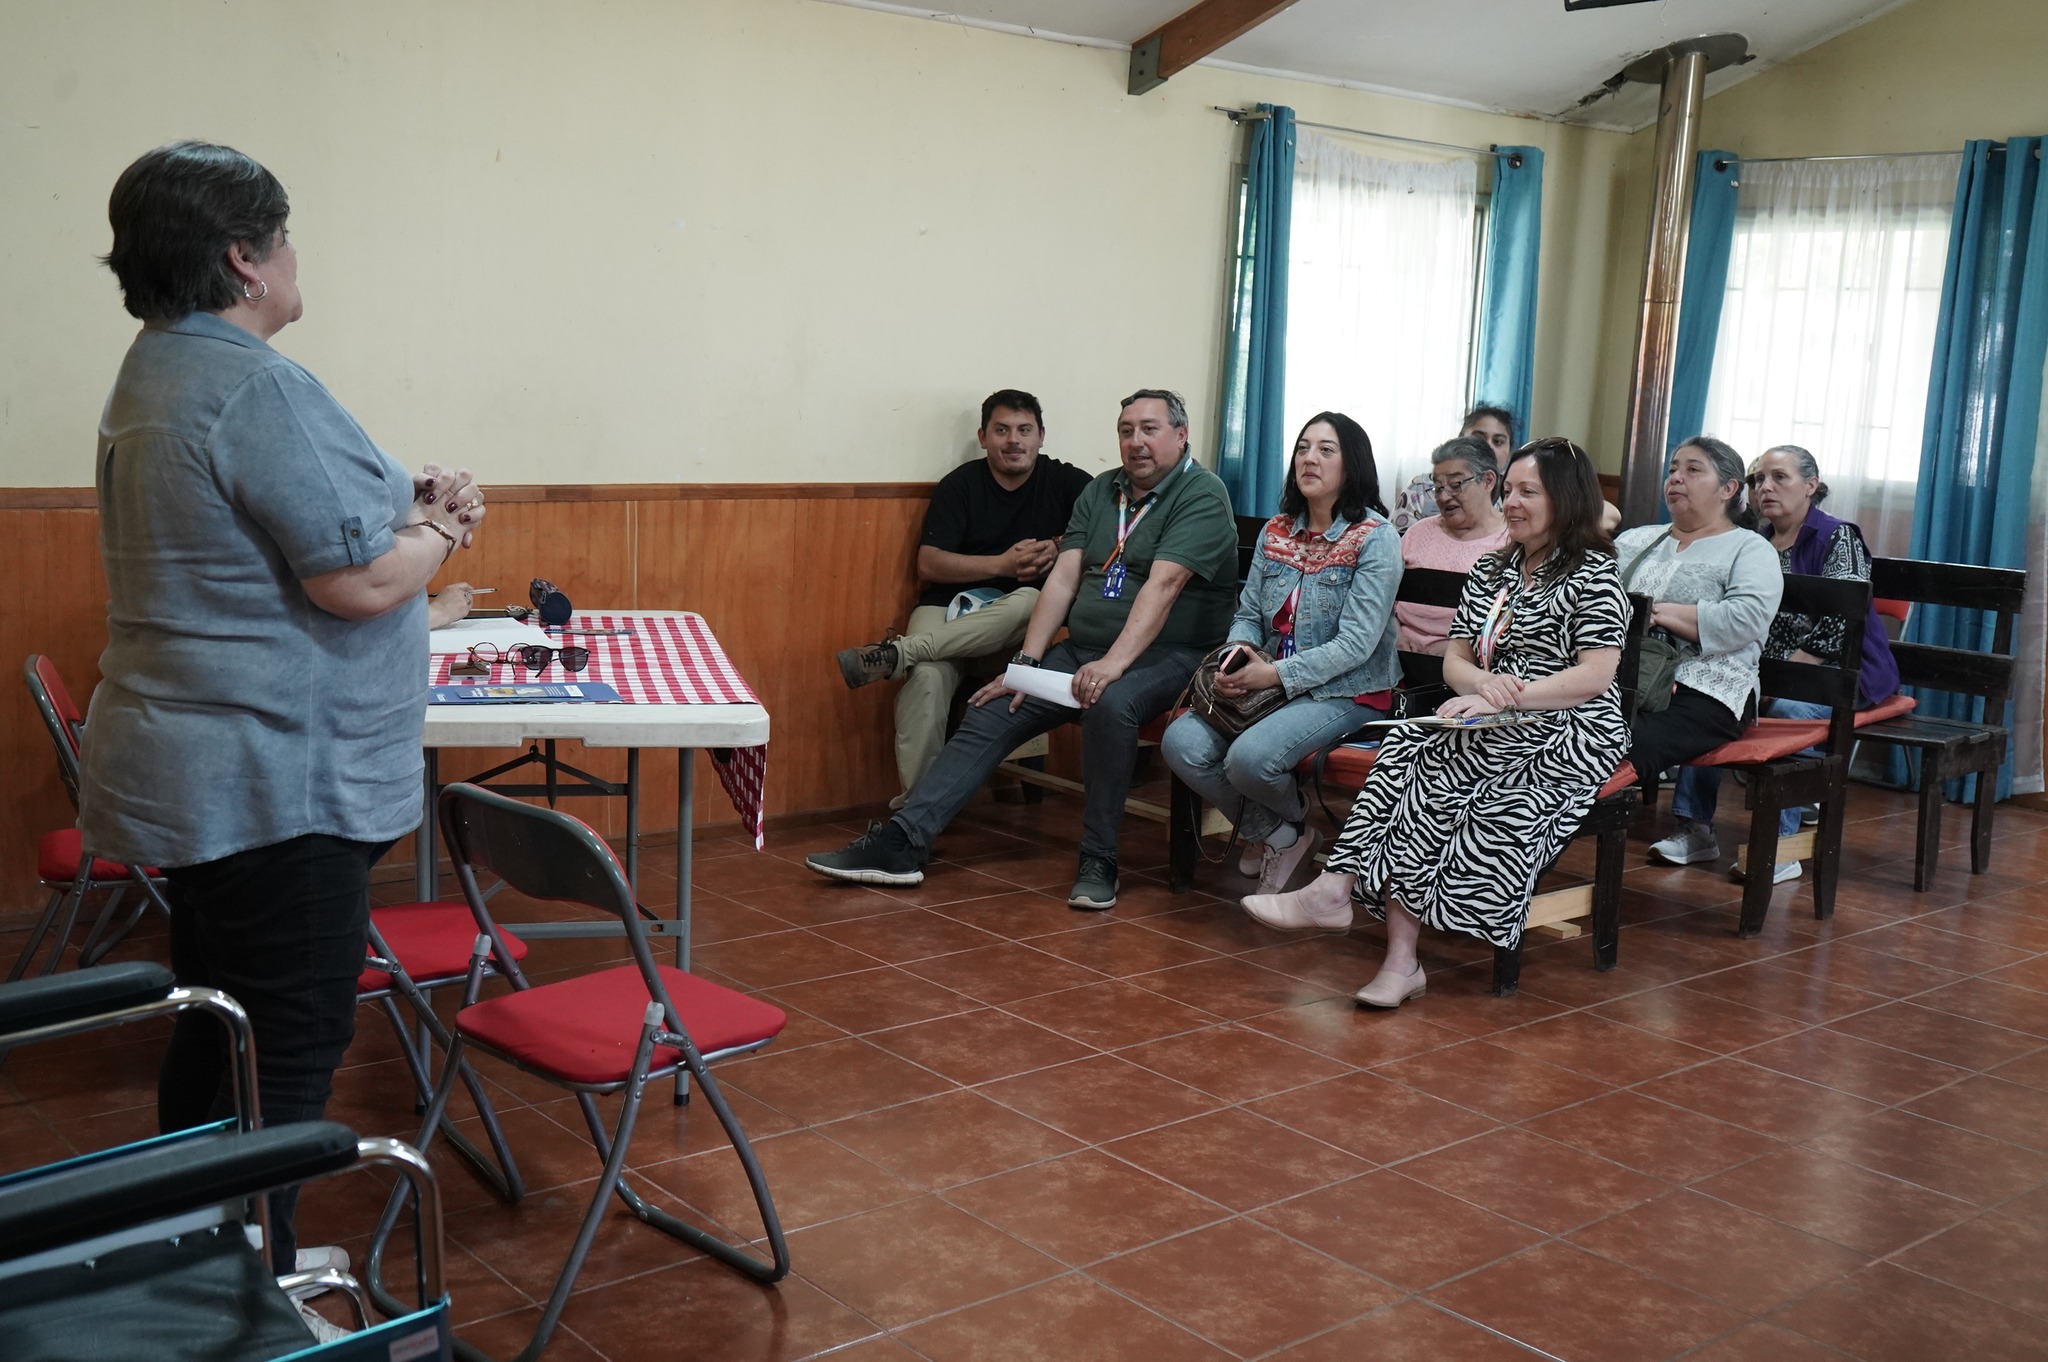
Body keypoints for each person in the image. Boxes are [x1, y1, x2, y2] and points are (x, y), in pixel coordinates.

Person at [76, 142, 487, 1288]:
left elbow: (285, 525)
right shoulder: (253, 383)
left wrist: (402, 506)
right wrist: (443, 529)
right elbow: (355, 581)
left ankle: (201, 1254)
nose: (297, 256)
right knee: (290, 1040)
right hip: (275, 784)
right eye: (284, 237)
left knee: (219, 1024)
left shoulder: (158, 368)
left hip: (203, 768)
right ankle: (247, 1295)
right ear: (243, 259)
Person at [808, 389, 1239, 909]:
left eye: (1150, 429)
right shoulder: (1102, 490)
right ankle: (903, 842)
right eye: (1126, 431)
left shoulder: (1202, 493)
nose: (1136, 442)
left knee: (1110, 705)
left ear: (1181, 435)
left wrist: (1112, 665)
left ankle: (1099, 859)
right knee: (993, 706)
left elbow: (1163, 586)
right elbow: (1063, 578)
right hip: (1085, 648)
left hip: (1173, 654)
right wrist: (1026, 665)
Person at [1242, 438, 1631, 1008]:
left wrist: (1509, 697)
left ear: (1566, 500)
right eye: (1510, 490)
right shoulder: (1494, 569)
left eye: (1529, 492)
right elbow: (1456, 661)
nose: (1512, 502)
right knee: (1408, 746)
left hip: (1570, 723)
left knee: (1451, 791)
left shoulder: (1593, 573)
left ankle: (1389, 948)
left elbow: (1595, 675)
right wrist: (1482, 690)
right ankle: (1343, 899)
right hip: (1495, 714)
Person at [1160, 412, 1401, 894]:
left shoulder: (1375, 538)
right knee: (1180, 743)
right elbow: (1249, 613)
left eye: (1326, 450)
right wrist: (1237, 657)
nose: (1309, 459)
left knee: (1249, 760)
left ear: (1352, 465)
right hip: (1269, 684)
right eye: (1303, 448)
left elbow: (1356, 645)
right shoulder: (1277, 531)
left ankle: (1276, 830)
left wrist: (1273, 675)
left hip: (1347, 690)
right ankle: (1283, 834)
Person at [1651, 444, 1900, 882]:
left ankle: (1780, 847)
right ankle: (1695, 829)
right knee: (1706, 695)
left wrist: (1784, 680)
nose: (1765, 487)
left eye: (1779, 477)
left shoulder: (1836, 536)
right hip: (1771, 673)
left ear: (1811, 485)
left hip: (1839, 674)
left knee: (1789, 708)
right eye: (1757, 479)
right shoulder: (1753, 541)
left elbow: (1841, 624)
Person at [833, 390, 1092, 803]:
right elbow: (929, 564)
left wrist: (1060, 544)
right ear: (983, 437)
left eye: (1024, 430)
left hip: (1014, 625)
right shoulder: (960, 485)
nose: (1014, 440)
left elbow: (1112, 530)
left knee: (1031, 600)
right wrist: (1001, 565)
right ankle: (918, 811)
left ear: (1041, 436)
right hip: (947, 609)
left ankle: (897, 653)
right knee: (926, 678)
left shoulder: (1069, 483)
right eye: (1001, 430)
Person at [1614, 436, 1783, 818]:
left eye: (1693, 470)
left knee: (1619, 740)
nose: (1676, 477)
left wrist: (1655, 613)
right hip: (1623, 680)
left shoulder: (1749, 548)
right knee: (1561, 727)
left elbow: (1745, 619)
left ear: (1728, 488)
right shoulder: (1634, 539)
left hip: (1708, 690)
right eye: (1673, 469)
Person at [1394, 435, 1509, 653]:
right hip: (1401, 654)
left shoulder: (1510, 541)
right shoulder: (1417, 533)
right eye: (1438, 487)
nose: (1444, 497)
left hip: (1474, 662)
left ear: (1488, 481)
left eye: (1456, 485)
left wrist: (1459, 654)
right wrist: (1396, 636)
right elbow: (1385, 601)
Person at [1391, 404, 1515, 532]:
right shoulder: (1420, 488)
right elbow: (1400, 539)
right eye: (1479, 439)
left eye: (1498, 442)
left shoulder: (1513, 494)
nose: (1488, 447)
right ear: (1460, 440)